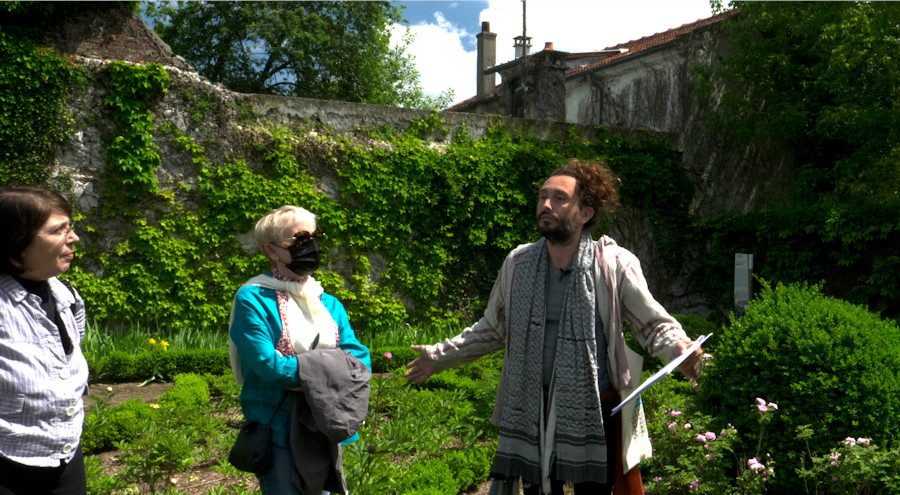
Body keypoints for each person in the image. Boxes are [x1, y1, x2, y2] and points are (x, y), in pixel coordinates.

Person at [404, 159, 704, 495]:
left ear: (586, 213)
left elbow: (651, 324)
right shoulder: (517, 263)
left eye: (559, 198)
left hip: (594, 413)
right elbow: (493, 328)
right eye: (543, 196)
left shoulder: (614, 264)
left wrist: (680, 347)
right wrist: (439, 357)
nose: (546, 204)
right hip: (530, 410)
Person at [228, 205, 371, 495]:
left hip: (325, 426)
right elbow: (271, 369)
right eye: (300, 240)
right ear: (272, 251)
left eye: (316, 237)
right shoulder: (253, 299)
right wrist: (332, 374)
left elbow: (360, 361)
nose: (313, 246)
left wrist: (306, 374)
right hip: (278, 429)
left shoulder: (327, 302)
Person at [0, 185, 89, 495]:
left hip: (66, 458)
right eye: (58, 230)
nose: (74, 237)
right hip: (9, 468)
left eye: (71, 227)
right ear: (17, 248)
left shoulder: (67, 297)